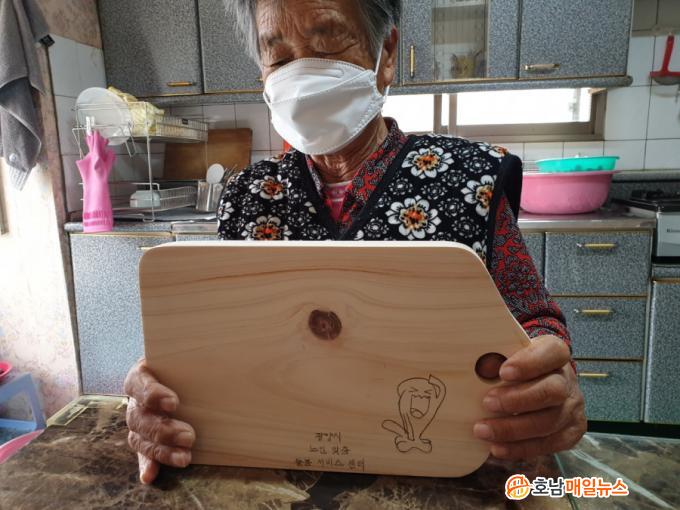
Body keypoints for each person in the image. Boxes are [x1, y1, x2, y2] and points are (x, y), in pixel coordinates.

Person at [124, 0, 586, 484]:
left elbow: (533, 319)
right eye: (279, 58)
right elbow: (213, 340)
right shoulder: (249, 196)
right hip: (269, 473)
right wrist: (161, 389)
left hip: (436, 473)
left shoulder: (471, 180)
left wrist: (549, 383)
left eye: (327, 45)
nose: (301, 78)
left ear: (386, 55)